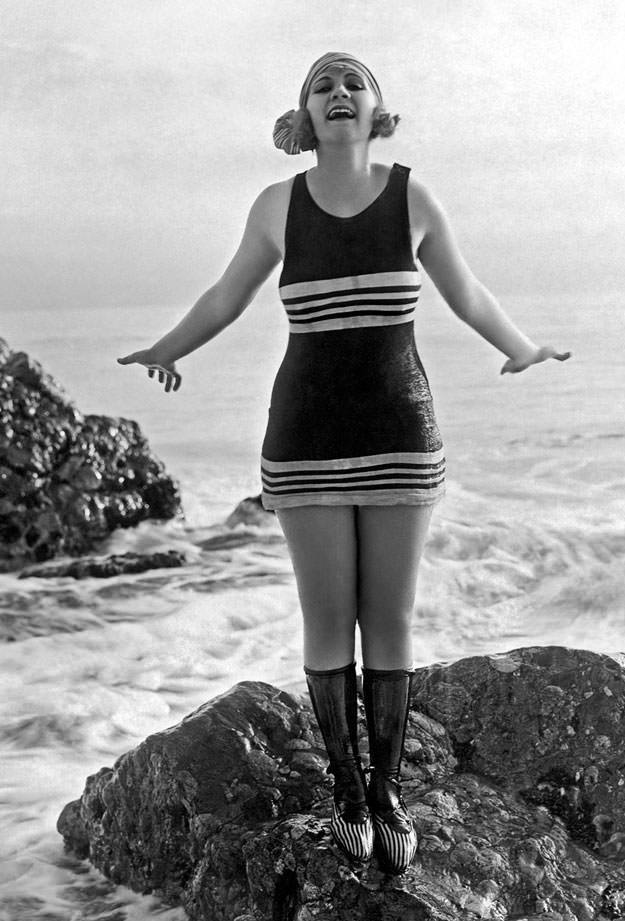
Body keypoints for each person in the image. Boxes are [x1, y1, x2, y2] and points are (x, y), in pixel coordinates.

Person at [118, 51, 570, 875]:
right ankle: (347, 789)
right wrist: (167, 347)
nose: (337, 92)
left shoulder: (413, 196)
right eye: (321, 85)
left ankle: (388, 792)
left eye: (352, 82)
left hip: (402, 431)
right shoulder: (275, 206)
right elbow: (227, 297)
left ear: (377, 110)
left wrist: (522, 346)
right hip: (305, 439)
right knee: (328, 620)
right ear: (305, 115)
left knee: (389, 618)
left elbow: (467, 292)